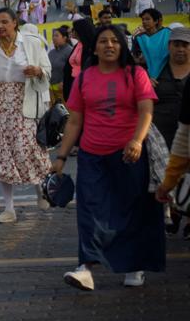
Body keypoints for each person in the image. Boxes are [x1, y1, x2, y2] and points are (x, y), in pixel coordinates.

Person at [54, 25, 162, 290]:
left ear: (122, 46)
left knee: (131, 210)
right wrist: (61, 156)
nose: (109, 45)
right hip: (92, 155)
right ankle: (86, 268)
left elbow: (146, 110)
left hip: (129, 154)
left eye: (114, 41)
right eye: (103, 41)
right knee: (89, 208)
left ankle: (134, 266)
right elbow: (75, 121)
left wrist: (137, 140)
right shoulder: (84, 78)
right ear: (95, 47)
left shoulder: (136, 74)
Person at [0, 8, 52, 224]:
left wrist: (37, 71)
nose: (0, 26)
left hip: (24, 102)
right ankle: (9, 208)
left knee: (29, 148)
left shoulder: (32, 43)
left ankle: (40, 190)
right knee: (1, 154)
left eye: (4, 22)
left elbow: (47, 69)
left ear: (14, 23)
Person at [132, 9, 171, 79]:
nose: (144, 22)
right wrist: (139, 59)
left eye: (147, 19)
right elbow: (134, 56)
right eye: (143, 19)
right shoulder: (139, 38)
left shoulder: (167, 34)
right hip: (145, 75)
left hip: (167, 74)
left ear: (156, 21)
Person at [48, 26, 74, 105]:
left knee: (65, 114)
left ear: (65, 38)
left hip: (63, 90)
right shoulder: (51, 52)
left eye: (57, 35)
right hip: (51, 90)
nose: (54, 38)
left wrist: (64, 82)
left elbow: (73, 69)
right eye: (53, 36)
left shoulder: (70, 51)